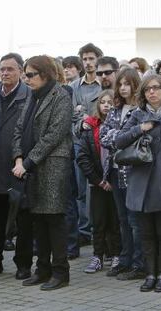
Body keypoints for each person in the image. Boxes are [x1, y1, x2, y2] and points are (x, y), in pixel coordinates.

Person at [115, 74, 161, 292]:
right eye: (148, 89)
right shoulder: (137, 115)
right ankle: (150, 274)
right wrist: (140, 128)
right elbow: (119, 141)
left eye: (156, 88)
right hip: (139, 183)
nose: (152, 92)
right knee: (145, 232)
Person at [11, 55, 72, 291]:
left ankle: (60, 272)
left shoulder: (61, 96)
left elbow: (54, 135)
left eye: (30, 75)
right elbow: (19, 128)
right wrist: (17, 156)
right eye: (25, 75)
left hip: (52, 165)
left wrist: (26, 162)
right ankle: (42, 269)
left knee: (53, 219)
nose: (27, 79)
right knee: (38, 220)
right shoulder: (32, 97)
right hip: (31, 166)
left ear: (45, 75)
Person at [0, 52, 32, 279]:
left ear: (21, 72)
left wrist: (23, 159)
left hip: (19, 165)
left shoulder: (29, 96)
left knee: (23, 219)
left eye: (10, 69)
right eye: (2, 69)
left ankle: (23, 264)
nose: (4, 73)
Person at [100, 68, 144, 280]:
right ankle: (125, 259)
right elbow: (104, 137)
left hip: (134, 172)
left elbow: (133, 139)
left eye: (128, 83)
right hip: (116, 171)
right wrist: (121, 137)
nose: (123, 87)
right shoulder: (116, 109)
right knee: (123, 219)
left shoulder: (141, 110)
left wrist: (119, 137)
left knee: (135, 220)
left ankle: (139, 263)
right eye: (121, 84)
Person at [76, 89, 120, 273]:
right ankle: (97, 255)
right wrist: (98, 180)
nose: (107, 105)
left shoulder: (120, 126)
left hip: (116, 183)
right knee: (99, 221)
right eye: (103, 102)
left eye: (111, 102)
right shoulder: (90, 127)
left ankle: (117, 254)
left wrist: (112, 180)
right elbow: (83, 157)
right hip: (97, 183)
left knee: (116, 221)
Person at [70, 43, 104, 247]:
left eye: (92, 58)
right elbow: (73, 115)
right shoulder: (74, 86)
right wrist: (82, 121)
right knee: (81, 189)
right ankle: (84, 230)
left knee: (99, 187)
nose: (89, 63)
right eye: (85, 59)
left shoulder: (105, 86)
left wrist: (87, 117)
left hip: (101, 142)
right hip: (80, 141)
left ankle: (98, 228)